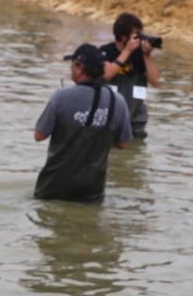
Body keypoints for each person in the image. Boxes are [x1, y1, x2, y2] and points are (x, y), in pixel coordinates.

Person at [33, 44, 132, 202]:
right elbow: (123, 144)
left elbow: (39, 135)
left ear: (79, 67)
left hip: (53, 188)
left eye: (72, 65)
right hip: (91, 191)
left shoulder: (61, 97)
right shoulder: (118, 101)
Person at [100, 12, 160, 140]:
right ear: (123, 37)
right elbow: (107, 74)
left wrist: (147, 55)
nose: (139, 38)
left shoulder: (141, 55)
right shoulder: (106, 51)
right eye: (136, 34)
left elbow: (155, 81)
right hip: (109, 117)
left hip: (136, 120)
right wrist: (127, 51)